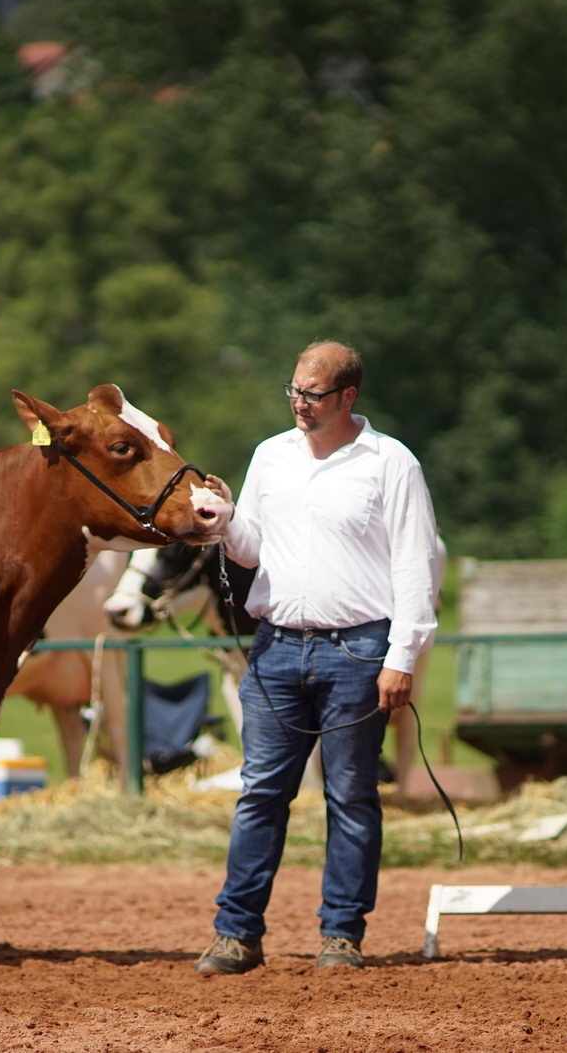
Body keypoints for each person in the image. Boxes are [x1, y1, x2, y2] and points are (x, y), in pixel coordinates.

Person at [192, 341, 443, 975]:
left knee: (352, 794)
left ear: (348, 396)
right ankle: (236, 933)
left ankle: (341, 934)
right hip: (276, 646)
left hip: (360, 649)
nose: (299, 403)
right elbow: (250, 549)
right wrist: (224, 519)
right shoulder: (270, 455)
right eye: (294, 390)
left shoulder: (391, 462)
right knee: (260, 793)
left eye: (313, 394)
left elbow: (416, 565)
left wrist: (402, 657)